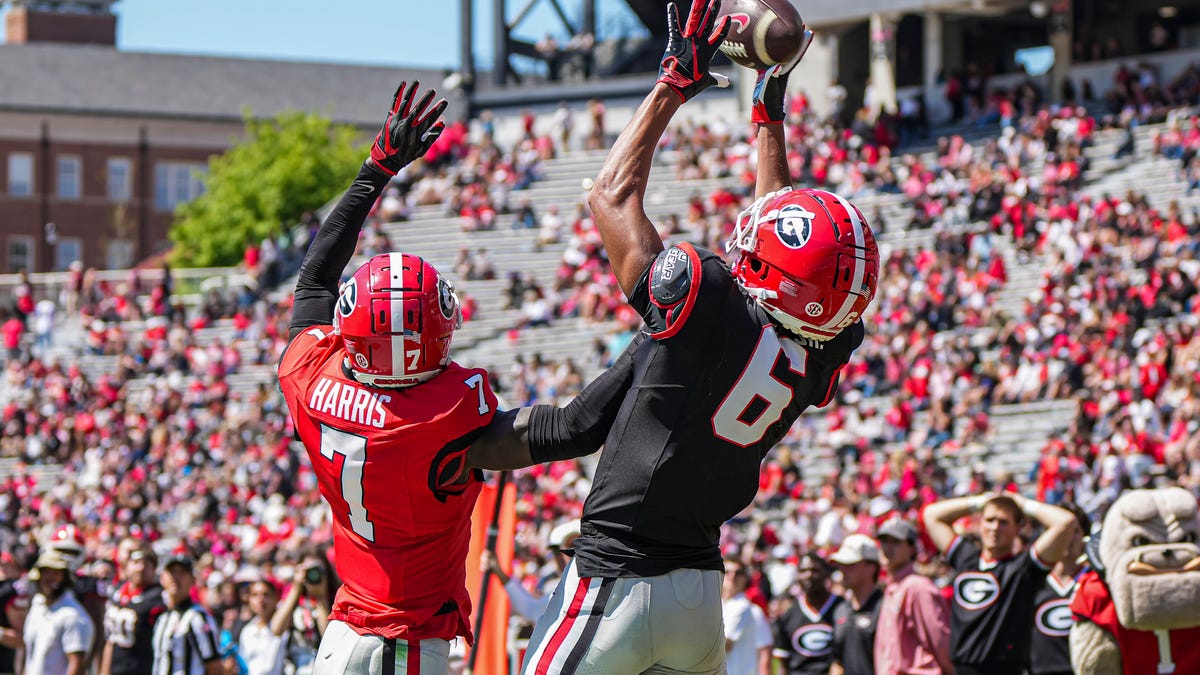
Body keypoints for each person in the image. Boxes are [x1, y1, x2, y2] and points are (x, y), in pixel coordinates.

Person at [466, 1, 874, 672]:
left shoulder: (706, 297)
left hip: (615, 580)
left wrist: (673, 82)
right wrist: (768, 111)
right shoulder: (823, 347)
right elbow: (780, 233)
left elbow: (609, 195)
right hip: (698, 596)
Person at [278, 81, 630, 675]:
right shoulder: (443, 415)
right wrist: (656, 334)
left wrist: (376, 169)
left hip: (341, 636)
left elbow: (314, 281)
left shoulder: (310, 377)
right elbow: (574, 427)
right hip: (408, 642)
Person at [923, 493, 1079, 675]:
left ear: (1018, 528)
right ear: (979, 523)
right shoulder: (965, 557)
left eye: (1003, 522)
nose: (995, 528)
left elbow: (1065, 522)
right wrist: (980, 501)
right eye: (989, 520)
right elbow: (931, 514)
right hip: (962, 668)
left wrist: (1023, 504)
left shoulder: (1023, 568)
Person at [873, 518, 952, 675]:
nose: (887, 548)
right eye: (884, 542)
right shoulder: (893, 588)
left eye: (895, 542)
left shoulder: (918, 587)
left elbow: (940, 641)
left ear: (911, 548)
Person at [1028, 505, 1089, 675]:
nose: (1067, 537)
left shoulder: (1096, 581)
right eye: (1061, 531)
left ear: (1084, 537)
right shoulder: (1031, 580)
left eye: (1074, 531)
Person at [481, 519, 580, 623]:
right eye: (556, 551)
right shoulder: (562, 591)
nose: (561, 556)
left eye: (573, 546)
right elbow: (531, 608)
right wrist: (499, 572)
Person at [23, 548, 95, 675]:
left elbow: (77, 665)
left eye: (56, 573)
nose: (50, 578)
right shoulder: (38, 606)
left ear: (64, 578)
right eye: (46, 572)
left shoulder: (72, 616)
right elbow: (31, 655)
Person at [100, 544, 165, 675]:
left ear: (154, 569)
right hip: (116, 668)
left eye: (147, 564)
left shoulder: (159, 598)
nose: (141, 568)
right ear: (127, 565)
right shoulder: (117, 593)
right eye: (136, 562)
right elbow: (111, 640)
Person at [152, 552, 221, 675]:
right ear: (162, 578)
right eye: (172, 572)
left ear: (193, 579)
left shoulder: (198, 617)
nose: (176, 577)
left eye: (182, 572)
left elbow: (214, 666)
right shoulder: (162, 618)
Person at [774, 553, 840, 674]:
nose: (808, 575)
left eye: (815, 570)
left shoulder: (842, 610)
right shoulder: (788, 615)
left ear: (827, 573)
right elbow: (783, 664)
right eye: (803, 571)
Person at [829, 534, 883, 675]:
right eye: (841, 564)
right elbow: (838, 662)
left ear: (871, 567)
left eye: (850, 565)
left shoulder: (884, 608)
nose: (842, 570)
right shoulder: (841, 610)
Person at [721, 557, 759, 675]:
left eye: (738, 573)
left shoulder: (742, 606)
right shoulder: (717, 603)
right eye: (727, 572)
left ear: (745, 578)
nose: (732, 576)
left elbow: (726, 645)